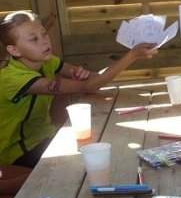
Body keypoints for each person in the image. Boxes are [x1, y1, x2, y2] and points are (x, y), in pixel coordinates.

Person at [0, 10, 157, 169]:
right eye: (34, 39)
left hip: (46, 138)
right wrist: (132, 56)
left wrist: (85, 76)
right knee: (93, 161)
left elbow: (94, 79)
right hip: (16, 154)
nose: (44, 41)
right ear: (14, 50)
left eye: (44, 34)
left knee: (106, 148)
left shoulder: (48, 61)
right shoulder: (12, 79)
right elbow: (89, 86)